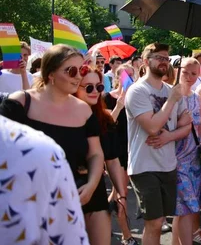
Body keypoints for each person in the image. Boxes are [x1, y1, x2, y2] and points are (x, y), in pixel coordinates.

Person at [5, 45, 105, 244]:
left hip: (78, 196)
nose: (79, 77)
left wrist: (92, 185)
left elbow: (95, 154)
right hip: (26, 200)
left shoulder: (84, 111)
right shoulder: (21, 103)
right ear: (50, 73)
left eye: (82, 70)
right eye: (72, 70)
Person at [124, 43, 191, 245]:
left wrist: (169, 136)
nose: (164, 62)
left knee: (161, 220)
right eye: (159, 58)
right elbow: (152, 127)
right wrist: (171, 101)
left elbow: (187, 125)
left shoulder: (173, 90)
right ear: (146, 61)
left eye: (166, 58)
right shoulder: (137, 91)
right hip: (144, 166)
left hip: (168, 164)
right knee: (153, 224)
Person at [0, 114, 90, 244]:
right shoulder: (38, 150)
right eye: (88, 90)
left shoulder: (39, 151)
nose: (94, 92)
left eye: (99, 90)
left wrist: (92, 184)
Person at [75, 66, 132, 245]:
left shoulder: (104, 118)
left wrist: (121, 195)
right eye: (88, 87)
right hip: (69, 191)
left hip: (97, 191)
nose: (95, 92)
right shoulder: (62, 118)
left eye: (99, 87)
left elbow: (112, 159)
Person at [171, 58, 201, 245]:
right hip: (176, 159)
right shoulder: (170, 97)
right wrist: (180, 124)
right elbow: (161, 129)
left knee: (184, 209)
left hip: (194, 159)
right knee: (187, 207)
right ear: (177, 71)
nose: (189, 77)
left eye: (194, 73)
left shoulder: (196, 98)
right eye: (185, 72)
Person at [102, 64, 134, 244]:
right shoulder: (107, 97)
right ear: (117, 77)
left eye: (131, 75)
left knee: (116, 194)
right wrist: (120, 105)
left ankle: (101, 222)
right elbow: (107, 124)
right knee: (122, 194)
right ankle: (126, 235)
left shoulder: (136, 97)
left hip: (132, 149)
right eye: (125, 76)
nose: (129, 79)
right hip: (115, 151)